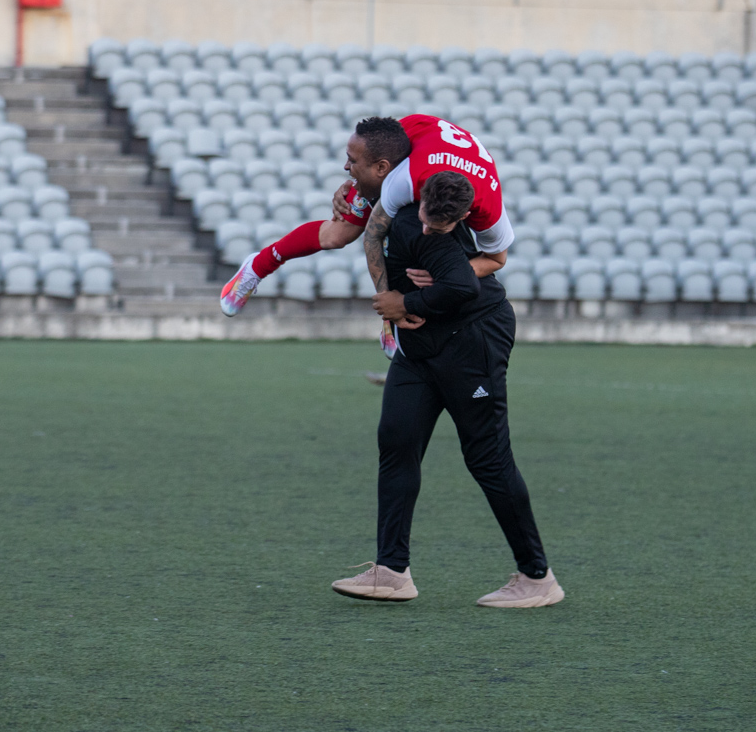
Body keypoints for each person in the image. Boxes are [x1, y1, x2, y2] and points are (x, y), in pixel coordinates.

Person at [330, 171, 564, 608]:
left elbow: (461, 284)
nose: (426, 227)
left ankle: (537, 577)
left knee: (487, 458)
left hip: (473, 340)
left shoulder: (429, 233)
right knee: (397, 439)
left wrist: (405, 304)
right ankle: (392, 570)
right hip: (422, 345)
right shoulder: (401, 213)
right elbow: (352, 217)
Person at [219, 116, 514, 353]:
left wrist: (457, 274)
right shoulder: (402, 180)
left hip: (431, 163)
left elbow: (497, 259)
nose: (426, 229)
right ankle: (255, 267)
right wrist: (355, 179)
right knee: (340, 233)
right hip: (413, 150)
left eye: (435, 227)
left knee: (414, 240)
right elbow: (372, 231)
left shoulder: (488, 208)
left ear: (465, 216)